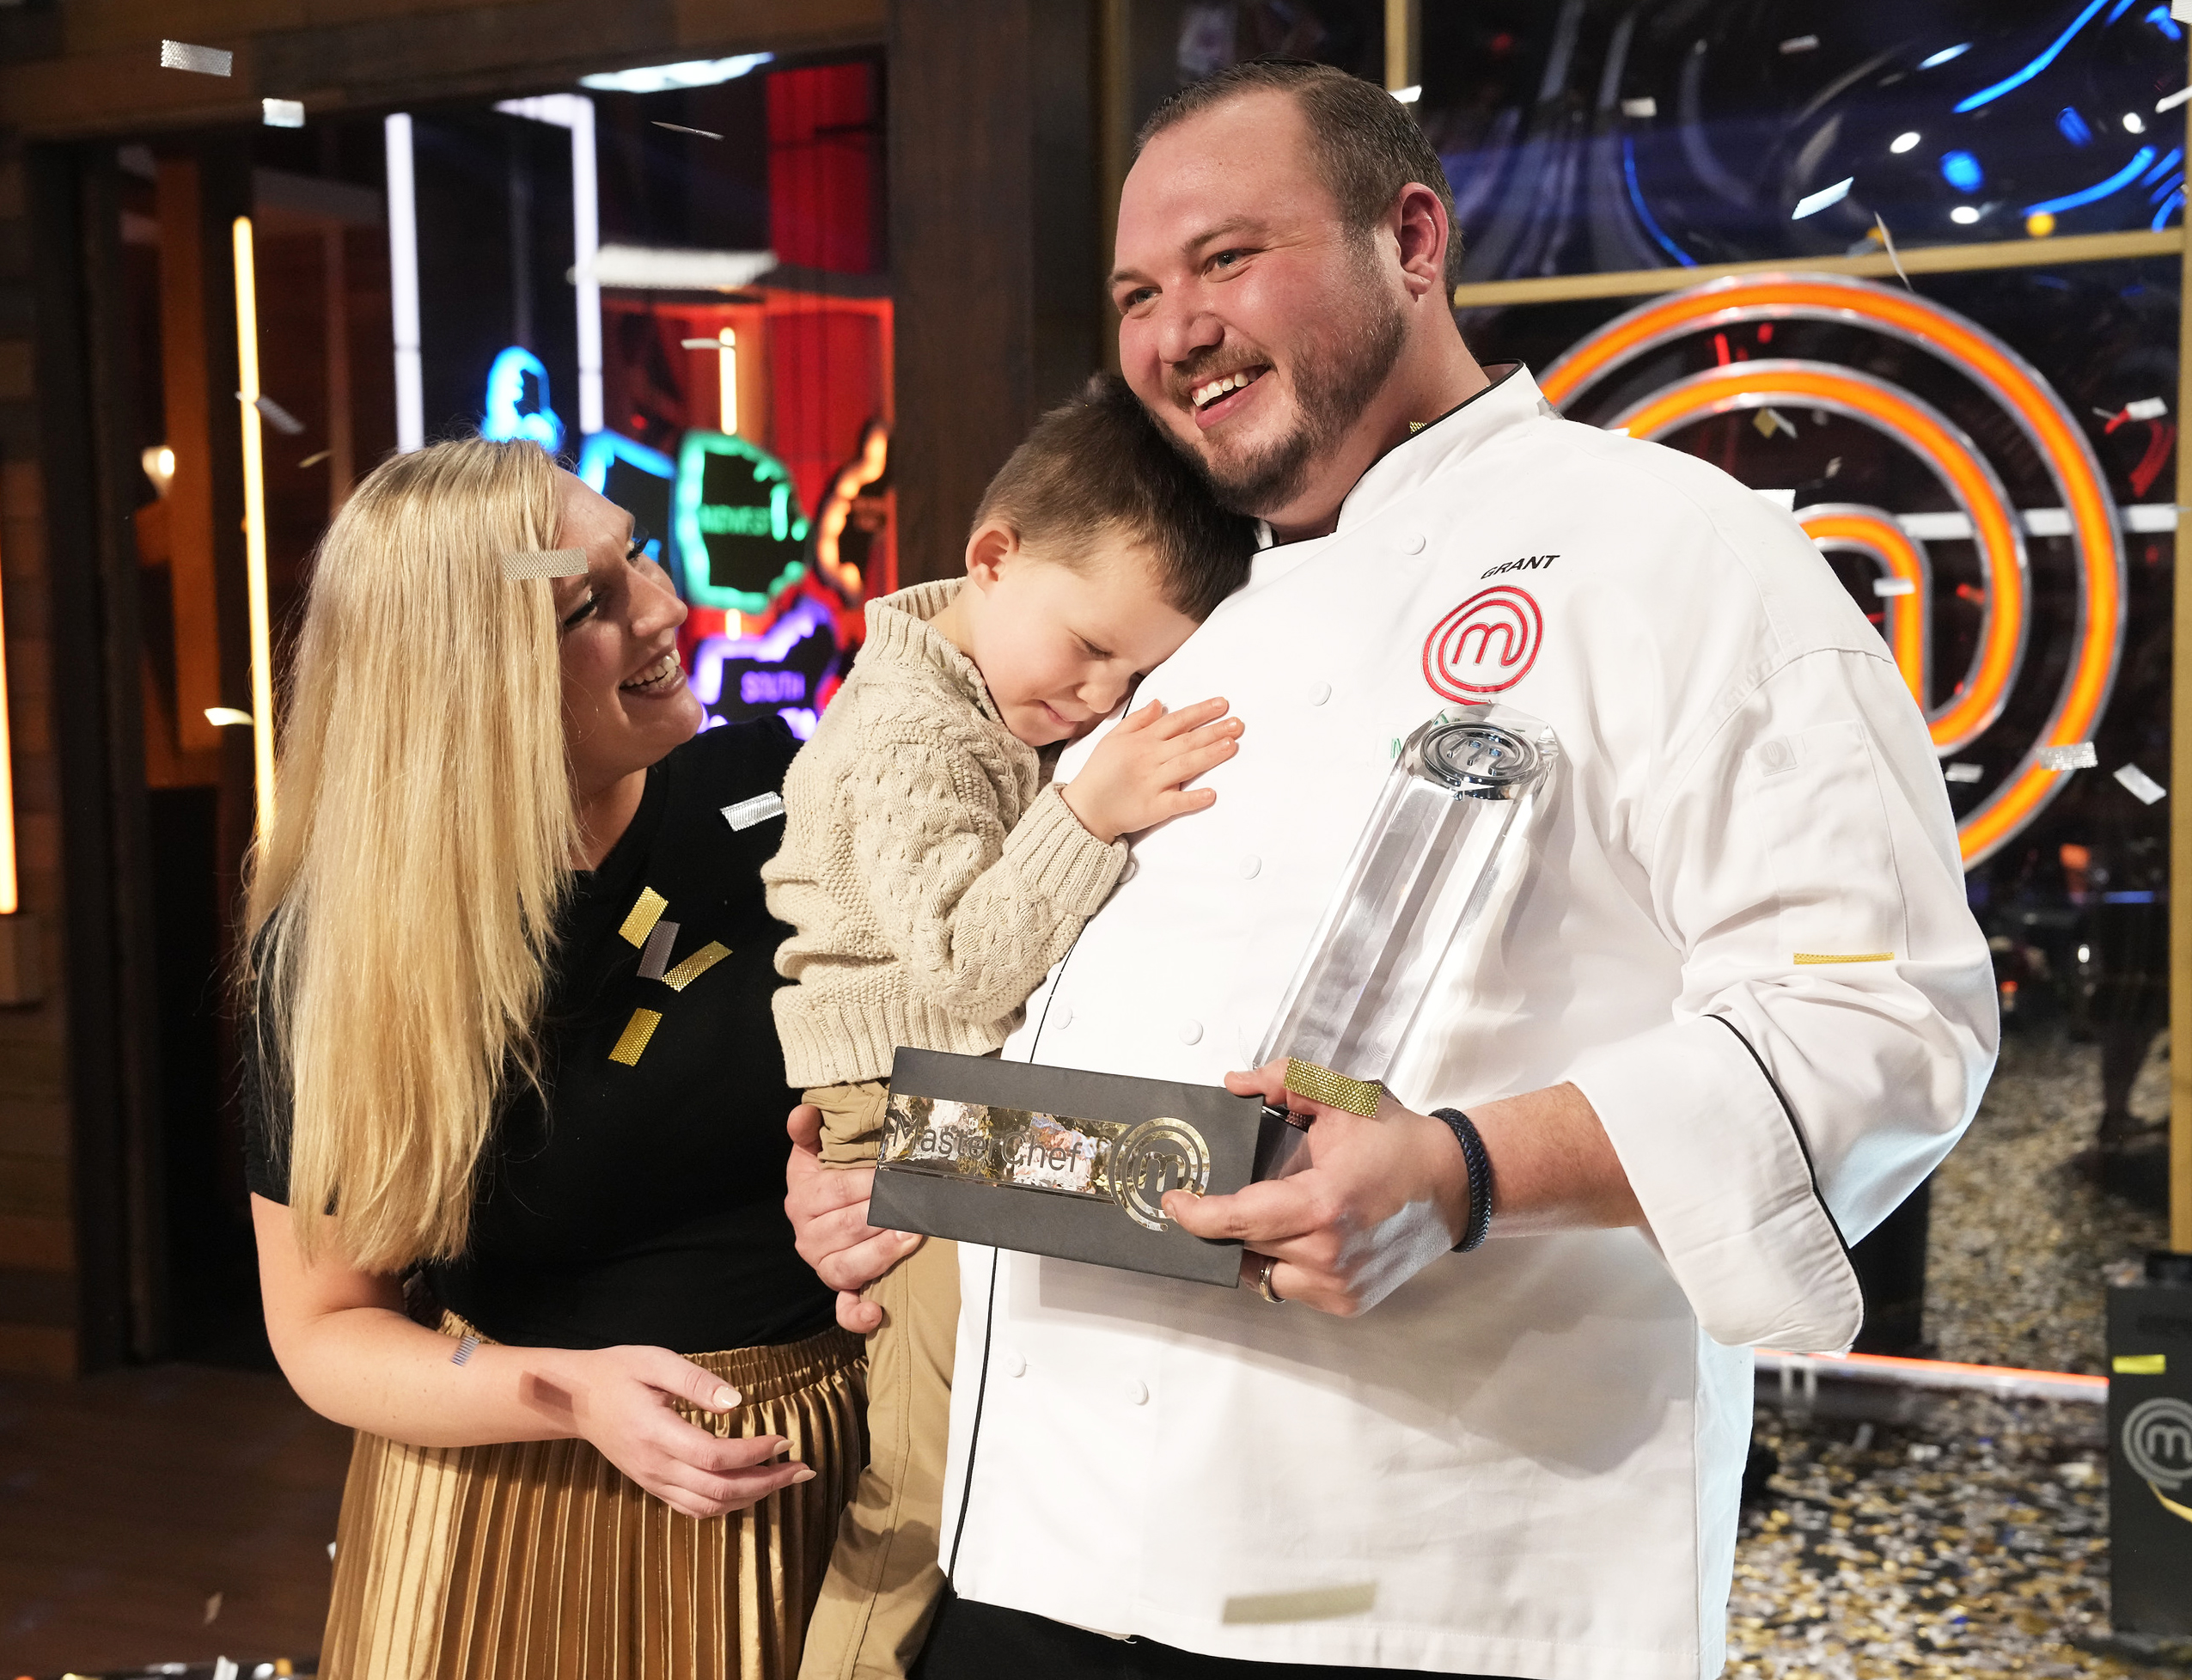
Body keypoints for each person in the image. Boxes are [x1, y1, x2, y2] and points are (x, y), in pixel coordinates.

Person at [787, 59, 1997, 1680]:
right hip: (1036, 1557)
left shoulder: (1675, 553)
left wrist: (1460, 1171)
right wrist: (909, 1167)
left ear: (1409, 237)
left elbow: (1884, 1022)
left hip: (1418, 1586)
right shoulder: (1196, 634)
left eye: (1227, 260)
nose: (1172, 329)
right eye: (1140, 291)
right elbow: (1129, 1078)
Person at [241, 437, 858, 1680]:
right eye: (591, 606)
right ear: (472, 681)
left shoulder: (775, 795)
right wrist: (560, 1392)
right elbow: (325, 1330)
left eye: (633, 558)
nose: (665, 609)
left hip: (810, 1470)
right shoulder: (347, 953)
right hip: (506, 1503)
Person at [770, 374, 1257, 1680]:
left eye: (1137, 672)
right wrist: (1088, 813)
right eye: (1090, 647)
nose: (1102, 698)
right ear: (993, 557)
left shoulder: (973, 706)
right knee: (921, 1488)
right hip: (907, 1100)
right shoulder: (914, 732)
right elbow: (961, 967)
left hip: (945, 1104)